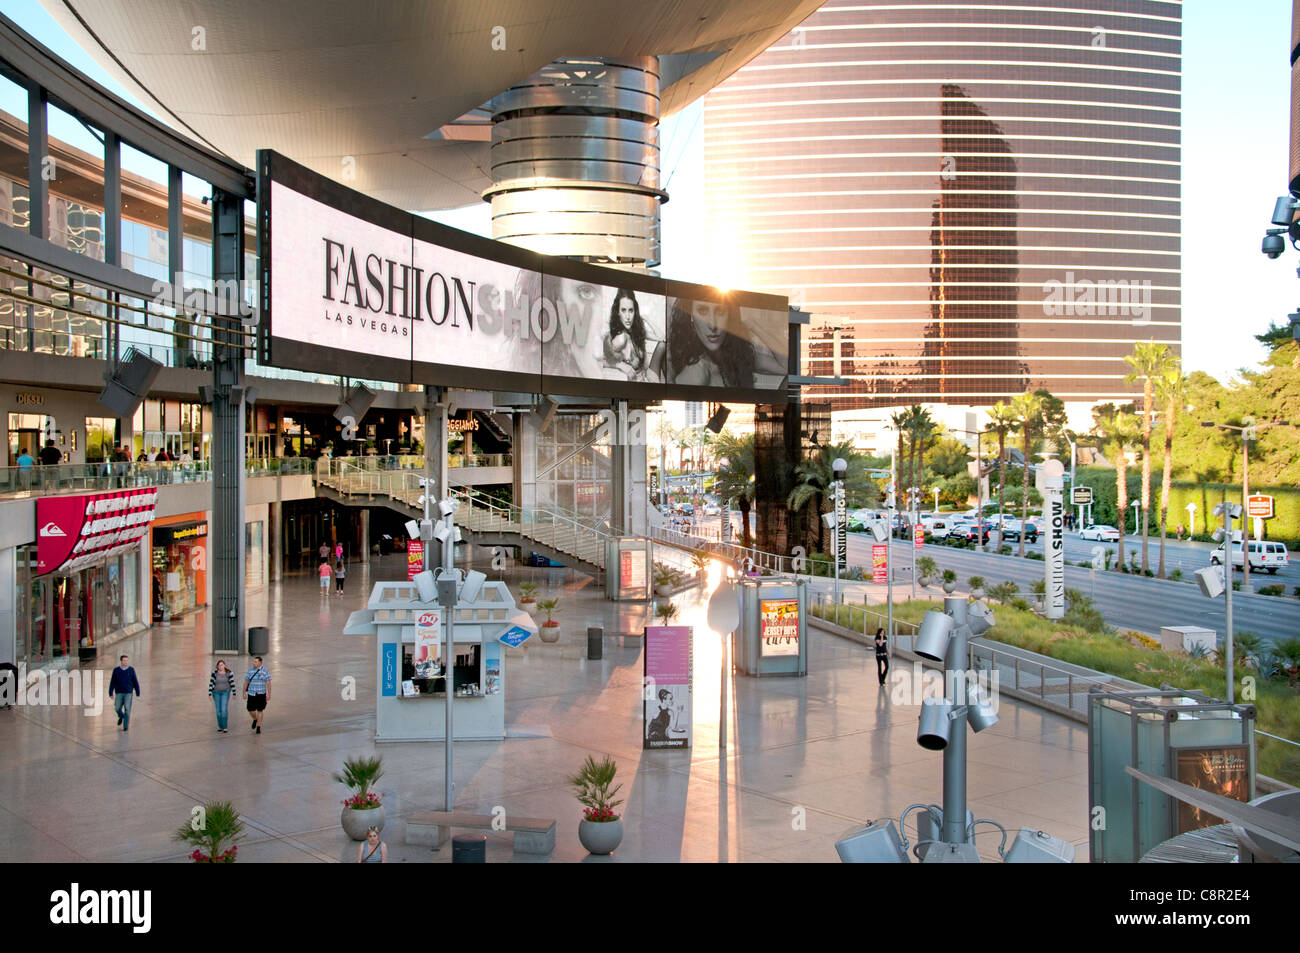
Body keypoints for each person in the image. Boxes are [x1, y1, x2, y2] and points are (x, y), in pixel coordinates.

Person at [602, 288, 649, 380]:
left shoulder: (636, 332)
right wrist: (620, 365)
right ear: (618, 312)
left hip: (645, 378)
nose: (628, 317)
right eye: (623, 310)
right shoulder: (621, 338)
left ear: (635, 312)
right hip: (634, 384)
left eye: (631, 310)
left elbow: (661, 337)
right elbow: (599, 360)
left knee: (662, 345)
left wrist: (646, 318)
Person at [108, 654, 141, 731]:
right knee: (117, 708)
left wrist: (137, 691)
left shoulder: (131, 670)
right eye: (124, 660)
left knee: (127, 708)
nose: (125, 662)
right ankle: (121, 716)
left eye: (126, 660)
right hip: (119, 692)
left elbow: (135, 681)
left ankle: (125, 726)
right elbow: (112, 682)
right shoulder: (116, 670)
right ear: (121, 661)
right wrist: (110, 692)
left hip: (128, 693)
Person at [243, 656, 271, 733]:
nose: (253, 663)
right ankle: (255, 719)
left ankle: (258, 726)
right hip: (251, 693)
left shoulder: (265, 671)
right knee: (250, 709)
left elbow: (268, 682)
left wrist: (269, 693)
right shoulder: (250, 671)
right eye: (253, 661)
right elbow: (246, 681)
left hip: (261, 693)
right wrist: (244, 692)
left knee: (260, 709)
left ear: (260, 663)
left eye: (255, 662)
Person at [209, 659, 236, 732]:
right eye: (219, 665)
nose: (220, 666)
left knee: (223, 709)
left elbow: (232, 683)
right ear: (217, 666)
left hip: (225, 692)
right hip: (216, 692)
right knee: (218, 711)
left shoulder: (229, 673)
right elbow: (211, 683)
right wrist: (210, 693)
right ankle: (220, 726)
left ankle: (225, 727)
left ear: (224, 665)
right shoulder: (214, 673)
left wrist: (234, 693)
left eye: (222, 665)